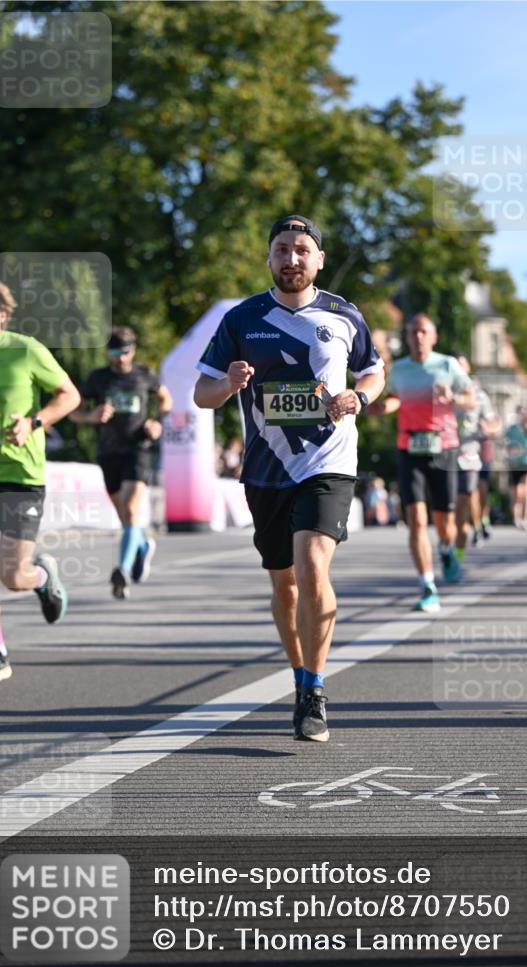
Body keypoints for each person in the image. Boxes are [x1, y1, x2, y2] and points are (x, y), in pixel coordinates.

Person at [193, 214, 384, 742]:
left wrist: (359, 396)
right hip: (266, 469)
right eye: (282, 249)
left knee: (312, 566)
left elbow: (374, 369)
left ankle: (316, 690)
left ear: (318, 259)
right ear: (269, 257)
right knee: (285, 582)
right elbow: (201, 395)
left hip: (328, 463)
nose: (292, 258)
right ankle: (301, 677)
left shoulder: (344, 315)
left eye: (302, 249)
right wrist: (228, 383)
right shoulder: (241, 318)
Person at [0, 275, 80, 681]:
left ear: (3, 314)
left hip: (19, 476)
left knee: (12, 576)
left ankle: (42, 576)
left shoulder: (26, 351)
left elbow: (69, 395)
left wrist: (34, 422)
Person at [370, 314, 475, 613]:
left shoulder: (447, 365)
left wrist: (453, 396)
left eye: (423, 331)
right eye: (412, 332)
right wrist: (381, 408)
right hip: (409, 446)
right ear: (406, 337)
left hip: (444, 446)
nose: (417, 336)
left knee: (445, 521)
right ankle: (427, 584)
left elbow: (470, 399)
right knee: (416, 519)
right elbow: (395, 399)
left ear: (433, 336)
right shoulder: (400, 369)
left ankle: (446, 549)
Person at [70, 327, 172, 598]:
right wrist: (91, 415)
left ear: (133, 350)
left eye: (125, 352)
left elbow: (165, 399)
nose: (120, 358)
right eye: (114, 352)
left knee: (130, 508)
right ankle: (141, 548)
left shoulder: (144, 375)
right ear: (107, 352)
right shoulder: (97, 379)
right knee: (126, 517)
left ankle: (122, 570)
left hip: (138, 448)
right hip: (108, 453)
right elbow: (73, 412)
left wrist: (157, 423)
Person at [449, 352, 500, 559]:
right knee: (447, 509)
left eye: (462, 366)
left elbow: (495, 423)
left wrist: (490, 429)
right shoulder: (442, 393)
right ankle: (450, 545)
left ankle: (459, 552)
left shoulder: (479, 396)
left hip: (469, 456)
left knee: (464, 500)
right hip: (444, 456)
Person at [504, 405, 527, 530]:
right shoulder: (512, 429)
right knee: (517, 493)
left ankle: (526, 518)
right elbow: (504, 443)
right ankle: (517, 518)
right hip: (514, 463)